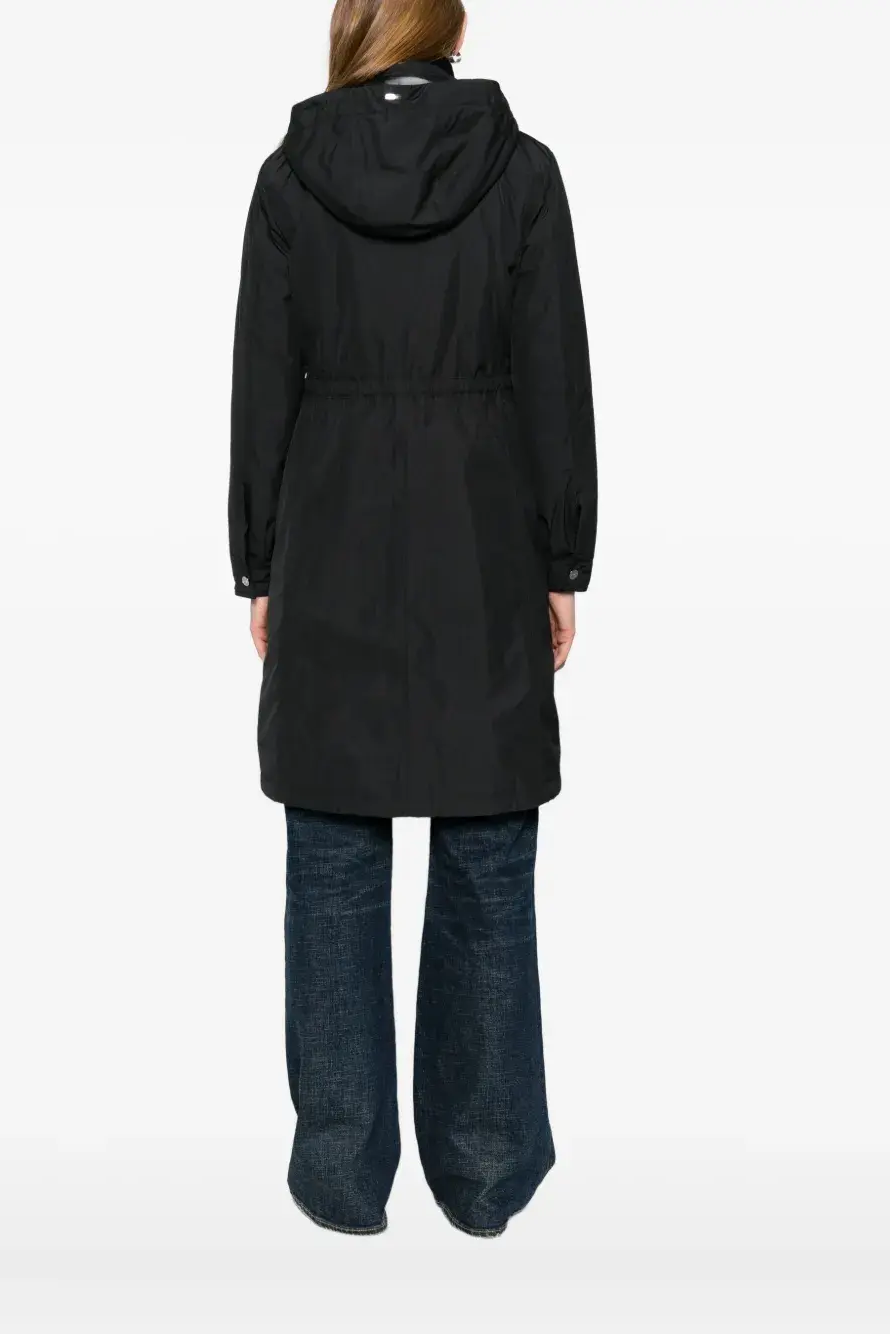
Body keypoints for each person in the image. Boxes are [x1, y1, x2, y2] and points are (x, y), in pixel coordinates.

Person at [228, 0, 597, 1238]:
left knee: (332, 852)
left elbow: (261, 382)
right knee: (486, 848)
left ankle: (340, 1174)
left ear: (355, 31)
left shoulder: (290, 178)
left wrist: (258, 564)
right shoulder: (522, 174)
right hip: (481, 539)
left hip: (329, 537)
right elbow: (554, 372)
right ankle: (484, 1171)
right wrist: (563, 556)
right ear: (450, 27)